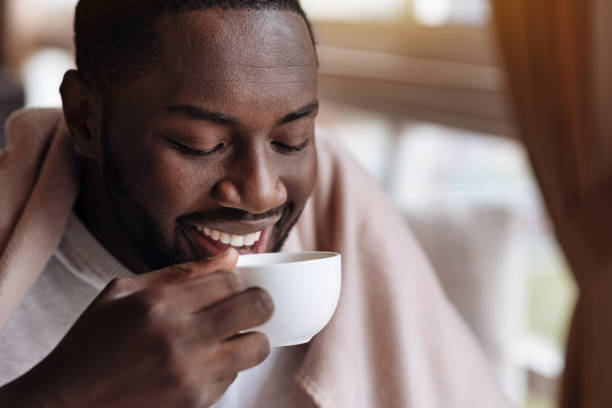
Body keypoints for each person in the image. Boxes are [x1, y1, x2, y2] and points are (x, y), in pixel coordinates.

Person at [0, 1, 510, 407]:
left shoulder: (339, 197)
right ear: (86, 118)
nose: (263, 192)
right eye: (200, 143)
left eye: (292, 140)